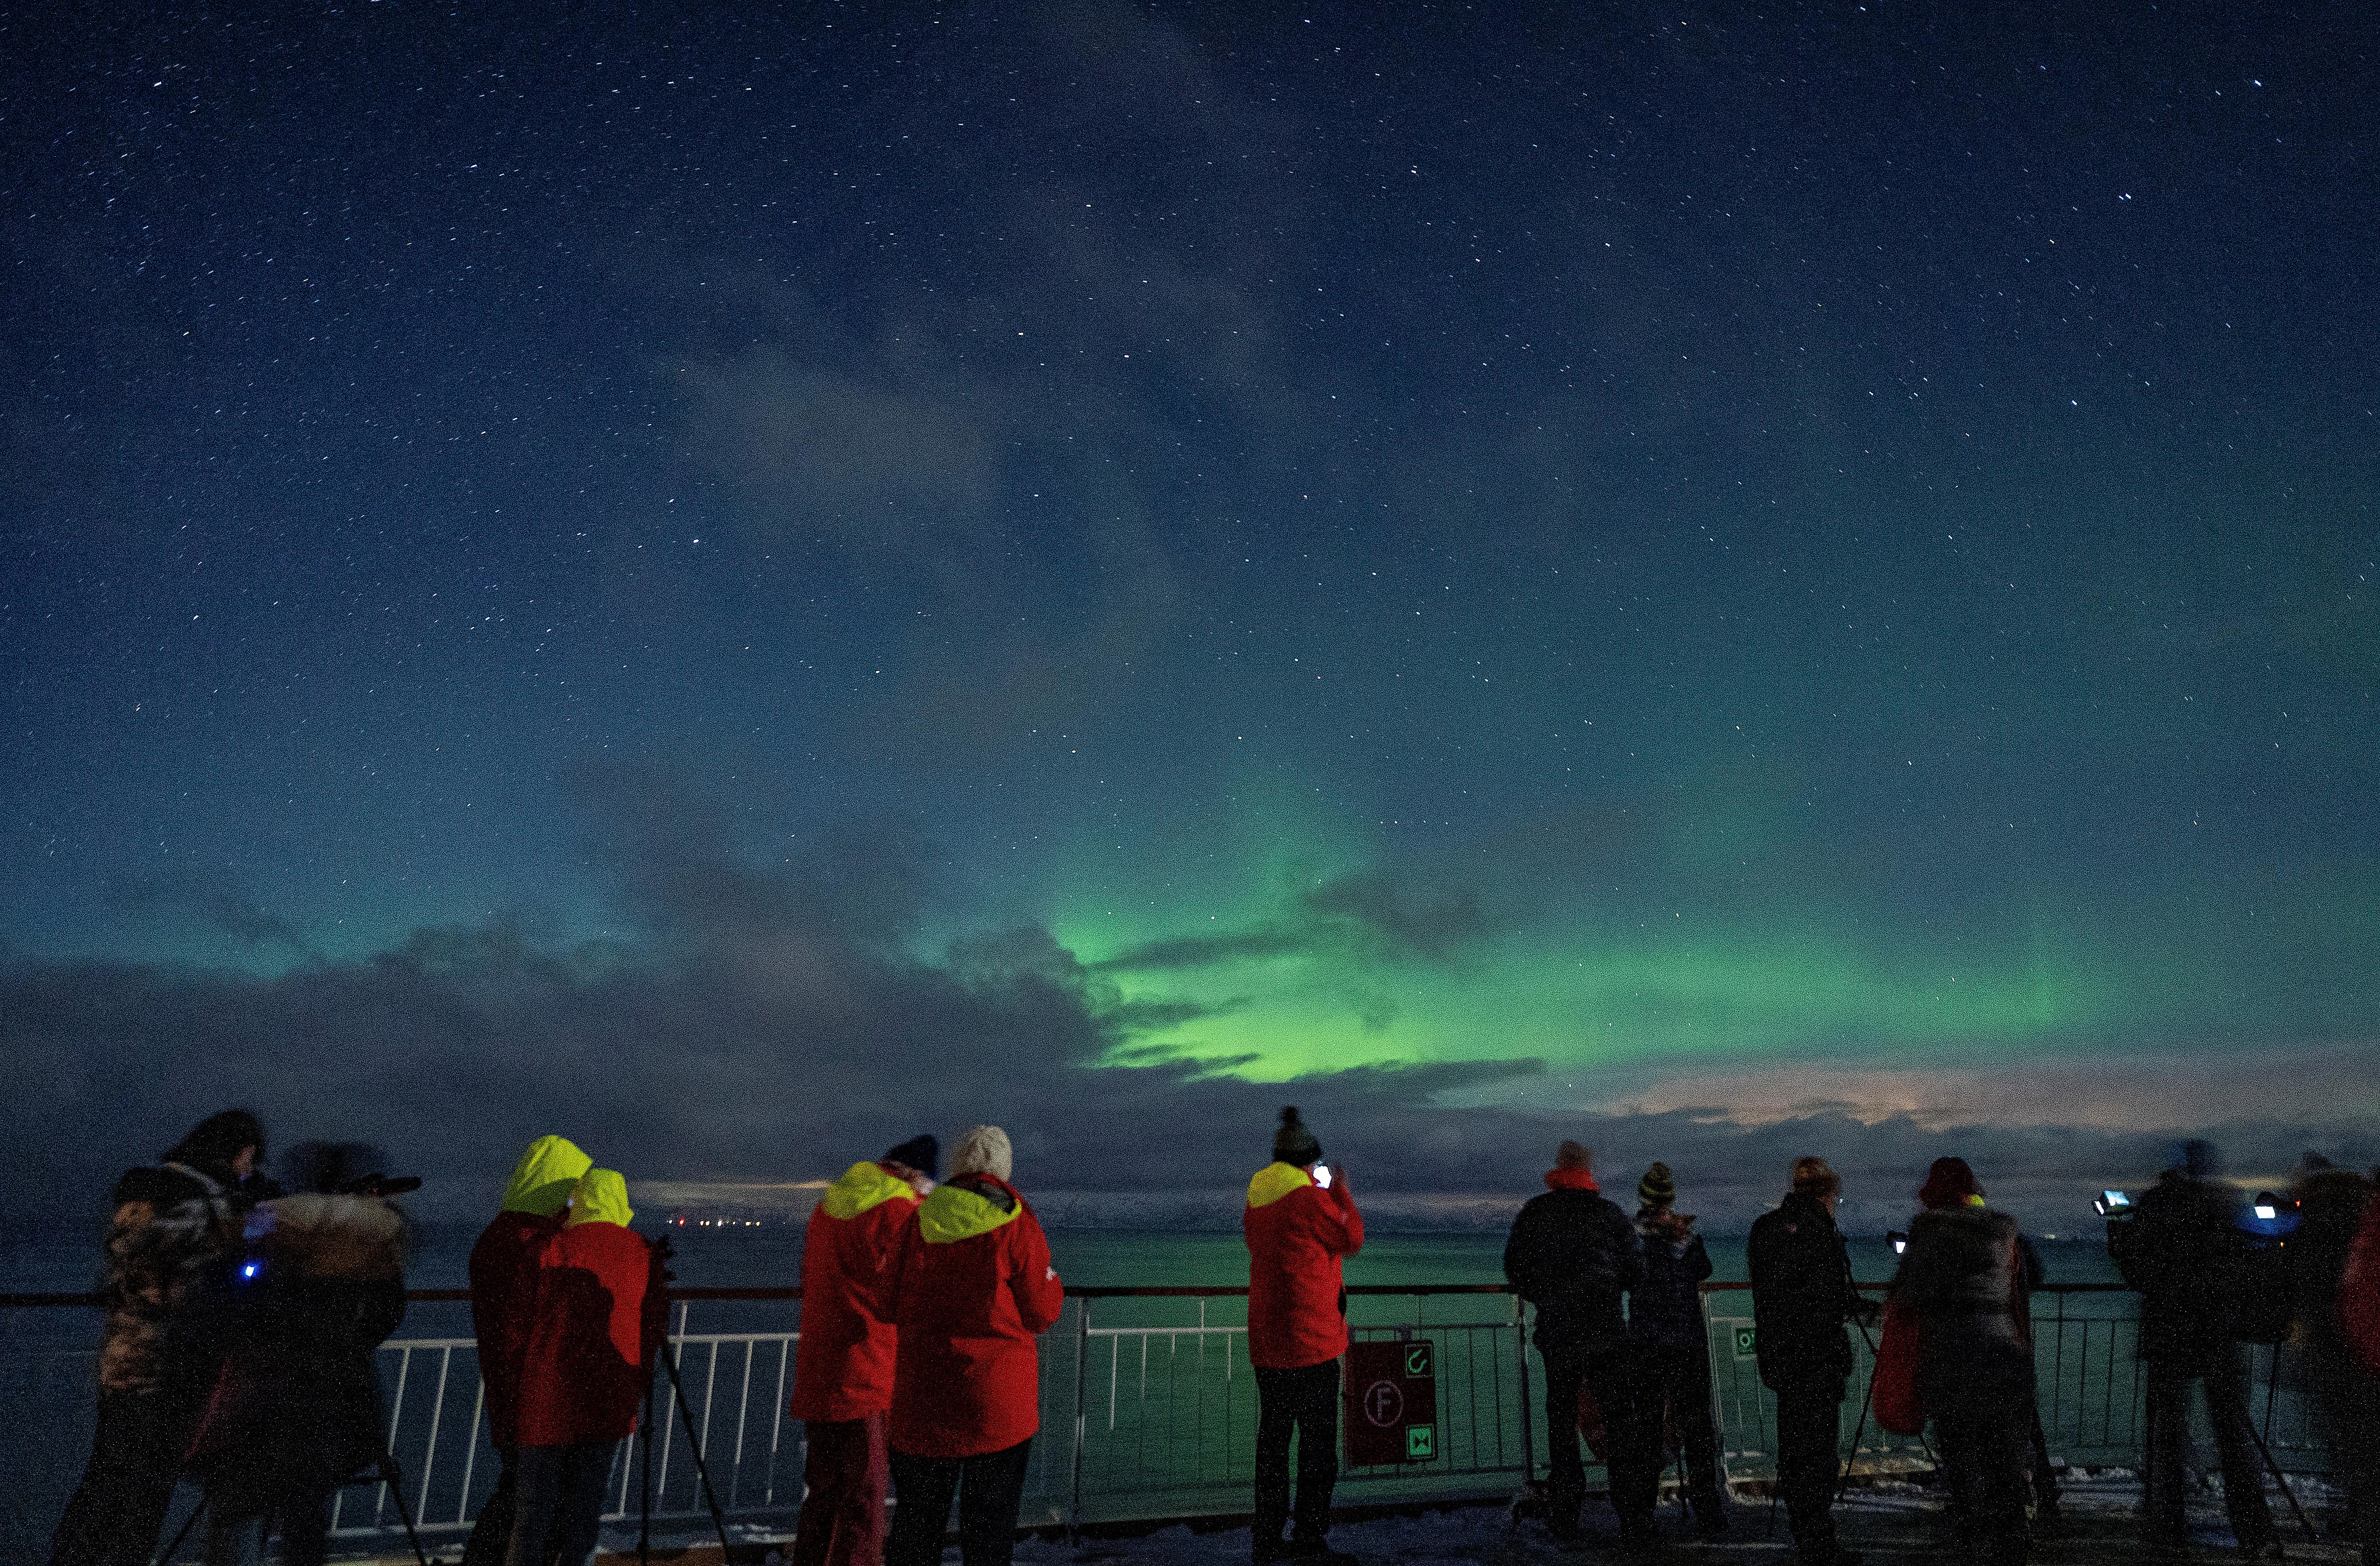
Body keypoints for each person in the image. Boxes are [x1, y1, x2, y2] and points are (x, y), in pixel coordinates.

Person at [50, 1108, 266, 1566]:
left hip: (124, 1361)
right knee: (144, 1495)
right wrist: (247, 1225)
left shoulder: (151, 1193)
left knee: (105, 1480)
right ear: (231, 1152)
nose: (251, 1168)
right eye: (249, 1157)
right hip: (171, 1366)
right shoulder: (200, 1207)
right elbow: (215, 1274)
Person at [186, 1142, 416, 1566]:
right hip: (333, 1394)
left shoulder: (269, 1226)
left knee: (231, 1507)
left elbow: (223, 1294)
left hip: (260, 1385)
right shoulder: (370, 1241)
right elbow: (387, 1311)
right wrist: (349, 1344)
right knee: (306, 1516)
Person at [882, 1126, 1062, 1566]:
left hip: (923, 1402)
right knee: (988, 1533)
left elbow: (887, 1301)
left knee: (917, 1528)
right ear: (1003, 1167)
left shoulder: (917, 1220)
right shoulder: (1017, 1223)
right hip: (997, 1407)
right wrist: (1052, 1282)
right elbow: (1041, 1312)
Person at [2108, 1140, 2281, 1560]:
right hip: (2217, 1331)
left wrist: (2116, 1227)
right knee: (2232, 1435)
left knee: (2165, 1437)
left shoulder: (2156, 1205)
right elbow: (2246, 1261)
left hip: (2169, 1331)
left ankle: (2166, 1527)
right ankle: (2254, 1529)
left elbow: (2136, 1268)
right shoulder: (2223, 1204)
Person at [508, 1169, 665, 1566]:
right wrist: (639, 1382)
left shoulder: (553, 1247)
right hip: (608, 1398)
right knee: (585, 1509)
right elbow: (652, 1326)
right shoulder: (641, 1252)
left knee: (532, 1515)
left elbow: (518, 1317)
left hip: (548, 1400)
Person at [792, 1135, 936, 1566]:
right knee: (865, 1498)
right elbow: (912, 1291)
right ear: (916, 1176)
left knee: (823, 1491)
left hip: (820, 1365)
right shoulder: (897, 1212)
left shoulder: (831, 1205)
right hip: (867, 1368)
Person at [1503, 1140, 1651, 1552]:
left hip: (1559, 1334)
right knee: (1621, 1422)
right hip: (1605, 1333)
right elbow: (1637, 1270)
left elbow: (1515, 1267)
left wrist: (1547, 1296)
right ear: (1589, 1170)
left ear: (1558, 1168)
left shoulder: (1537, 1213)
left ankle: (1566, 1514)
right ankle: (1634, 1518)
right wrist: (1607, 1288)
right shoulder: (1609, 1215)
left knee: (1562, 1421)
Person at [1889, 1158, 2031, 1566]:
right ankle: (2012, 1548)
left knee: (1963, 1461)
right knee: (2004, 1461)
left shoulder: (1928, 1230)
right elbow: (2020, 1281)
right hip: (2005, 1356)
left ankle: (1972, 1544)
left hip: (1952, 1358)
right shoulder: (2002, 1229)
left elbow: (1911, 1294)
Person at [1244, 1107, 1366, 1566]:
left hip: (1267, 1344)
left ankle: (1266, 1540)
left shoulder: (1257, 1198)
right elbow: (1350, 1239)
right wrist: (1341, 1194)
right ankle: (1309, 1540)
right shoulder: (1309, 1201)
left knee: (1272, 1447)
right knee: (1317, 1451)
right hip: (1311, 1343)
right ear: (1306, 1161)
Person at [464, 1135, 593, 1566]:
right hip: (538, 1394)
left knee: (521, 1495)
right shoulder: (537, 1245)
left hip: (511, 1387)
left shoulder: (499, 1237)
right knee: (534, 1506)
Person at [1747, 1155, 1875, 1566]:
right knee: (1818, 1453)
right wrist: (1871, 1311)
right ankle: (1817, 1541)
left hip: (1780, 1356)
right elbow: (1829, 1298)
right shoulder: (1821, 1232)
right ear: (1827, 1193)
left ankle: (1803, 1529)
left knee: (1795, 1447)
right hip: (1816, 1358)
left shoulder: (1764, 1229)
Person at [1629, 1161, 1726, 1536]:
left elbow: (1626, 1274)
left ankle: (1641, 1514)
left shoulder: (1633, 1237)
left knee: (1648, 1428)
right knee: (1697, 1428)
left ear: (1643, 1198)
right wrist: (1683, 1239)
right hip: (1686, 1343)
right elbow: (1705, 1269)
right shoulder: (1684, 1237)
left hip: (1647, 1345)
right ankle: (1709, 1508)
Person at [2287, 1158, 2377, 1563]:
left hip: (2344, 1353)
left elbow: (2313, 1282)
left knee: (2357, 1453)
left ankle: (2367, 1525)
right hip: (2357, 1351)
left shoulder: (2324, 1225)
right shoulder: (2360, 1217)